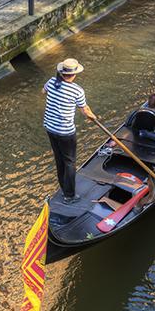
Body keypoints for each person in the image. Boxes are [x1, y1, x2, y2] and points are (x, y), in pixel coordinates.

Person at [43, 58, 92, 203]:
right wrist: (94, 116)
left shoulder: (52, 81)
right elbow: (85, 111)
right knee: (70, 162)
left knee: (59, 159)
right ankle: (69, 196)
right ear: (74, 74)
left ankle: (64, 188)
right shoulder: (77, 90)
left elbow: (43, 91)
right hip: (65, 132)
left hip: (50, 128)